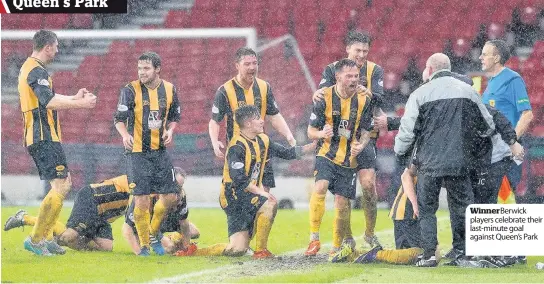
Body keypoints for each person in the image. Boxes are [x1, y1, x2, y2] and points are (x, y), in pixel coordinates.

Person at [395, 53, 496, 267]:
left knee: (427, 209)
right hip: (460, 161)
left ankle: (429, 254)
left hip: (429, 163)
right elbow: (487, 125)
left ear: (430, 70)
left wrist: (399, 151)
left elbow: (407, 131)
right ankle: (464, 253)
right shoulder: (468, 91)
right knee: (461, 207)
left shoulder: (419, 94)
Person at [178, 105, 315, 259]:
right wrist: (261, 192)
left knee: (238, 249)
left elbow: (288, 153)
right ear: (249, 123)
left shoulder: (264, 140)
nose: (262, 121)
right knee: (267, 206)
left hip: (248, 195)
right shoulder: (237, 147)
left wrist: (315, 146)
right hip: (233, 196)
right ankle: (257, 251)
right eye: (258, 118)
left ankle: (256, 251)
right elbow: (239, 180)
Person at [18, 29, 97, 255]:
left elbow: (47, 98)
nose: (58, 50)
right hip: (42, 135)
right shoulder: (35, 70)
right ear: (48, 47)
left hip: (43, 135)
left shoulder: (32, 68)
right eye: (57, 46)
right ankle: (36, 240)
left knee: (64, 183)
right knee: (61, 185)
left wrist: (74, 98)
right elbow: (48, 102)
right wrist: (82, 105)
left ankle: (45, 236)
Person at [313, 31, 388, 247]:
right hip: (337, 141)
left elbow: (382, 98)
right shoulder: (332, 69)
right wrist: (316, 94)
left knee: (367, 184)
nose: (362, 55)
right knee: (342, 195)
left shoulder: (375, 70)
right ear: (347, 49)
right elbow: (321, 93)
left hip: (364, 137)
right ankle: (346, 237)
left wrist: (369, 93)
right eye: (358, 50)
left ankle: (370, 233)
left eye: (365, 51)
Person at [114, 51, 181, 256]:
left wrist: (170, 130)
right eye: (139, 68)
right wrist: (125, 135)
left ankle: (152, 232)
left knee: (170, 196)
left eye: (146, 68)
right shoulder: (130, 89)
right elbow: (118, 119)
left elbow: (175, 115)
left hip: (159, 152)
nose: (141, 72)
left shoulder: (169, 89)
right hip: (137, 153)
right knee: (141, 200)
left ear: (157, 69)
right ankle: (144, 245)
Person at [305, 59, 373, 260]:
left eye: (356, 76)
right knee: (320, 187)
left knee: (342, 204)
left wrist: (361, 143)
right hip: (326, 153)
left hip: (348, 159)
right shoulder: (323, 97)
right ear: (338, 77)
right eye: (349, 76)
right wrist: (321, 134)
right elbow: (310, 131)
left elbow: (367, 130)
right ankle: (314, 238)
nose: (354, 80)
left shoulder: (364, 100)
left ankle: (335, 247)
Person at [209, 47, 297, 193]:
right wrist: (214, 141)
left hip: (262, 149)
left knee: (265, 200)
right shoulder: (225, 91)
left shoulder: (264, 87)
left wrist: (288, 135)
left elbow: (274, 115)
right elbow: (214, 121)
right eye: (247, 64)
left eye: (254, 63)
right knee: (242, 199)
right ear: (237, 66)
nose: (252, 67)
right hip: (239, 152)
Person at [5, 175, 131, 251]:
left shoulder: (145, 185)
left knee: (105, 247)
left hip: (103, 216)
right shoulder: (139, 183)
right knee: (68, 237)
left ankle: (51, 238)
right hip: (92, 200)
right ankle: (25, 219)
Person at [480, 39, 533, 195]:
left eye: (484, 54)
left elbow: (527, 114)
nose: (480, 57)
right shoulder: (492, 82)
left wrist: (512, 142)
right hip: (492, 151)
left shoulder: (512, 79)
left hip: (506, 153)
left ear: (496, 58)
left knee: (505, 200)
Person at [122, 167, 200, 255]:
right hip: (144, 226)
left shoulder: (180, 196)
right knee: (168, 247)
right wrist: (139, 252)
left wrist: (186, 248)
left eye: (180, 187)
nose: (177, 191)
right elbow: (127, 228)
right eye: (176, 186)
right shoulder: (145, 196)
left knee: (194, 233)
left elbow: (184, 223)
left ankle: (171, 238)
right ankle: (153, 238)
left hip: (163, 223)